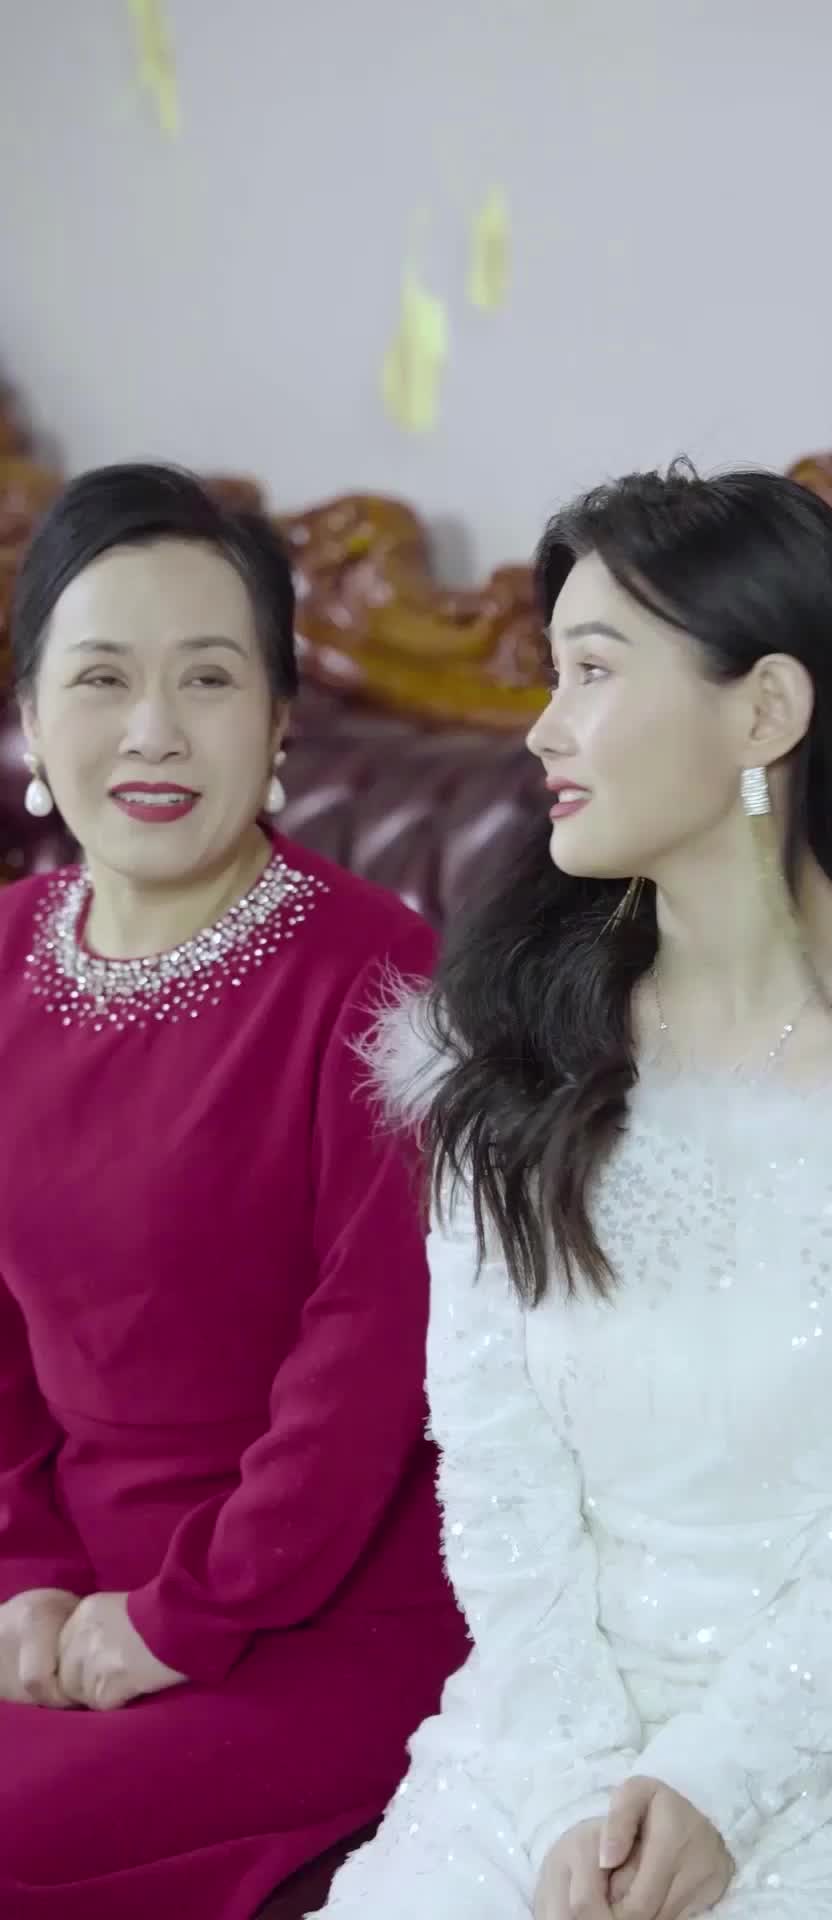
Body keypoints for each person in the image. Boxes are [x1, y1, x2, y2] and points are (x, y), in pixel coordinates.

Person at [321, 466, 832, 1920]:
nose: (543, 728)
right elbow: (494, 1470)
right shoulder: (511, 1037)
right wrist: (576, 1794)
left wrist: (717, 1786)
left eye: (594, 671)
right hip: (539, 1754)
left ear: (765, 711)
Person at [0, 464, 468, 1920]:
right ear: (31, 715)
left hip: (316, 1607)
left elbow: (367, 1374)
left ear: (278, 722)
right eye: (102, 678)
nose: (153, 730)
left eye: (207, 678)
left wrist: (178, 1618)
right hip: (65, 1588)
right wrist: (25, 1574)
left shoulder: (380, 977)